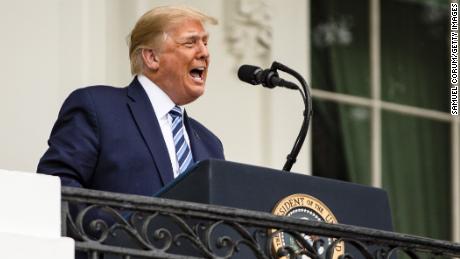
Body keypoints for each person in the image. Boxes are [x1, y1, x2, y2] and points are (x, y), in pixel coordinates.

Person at [37, 5, 225, 197]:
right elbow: (57, 183)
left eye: (205, 43)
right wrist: (114, 227)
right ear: (152, 57)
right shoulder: (98, 108)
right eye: (190, 43)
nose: (205, 53)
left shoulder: (211, 145)